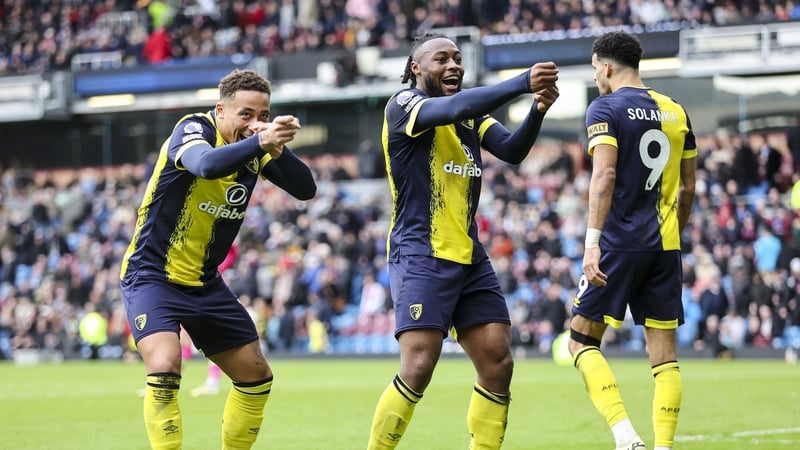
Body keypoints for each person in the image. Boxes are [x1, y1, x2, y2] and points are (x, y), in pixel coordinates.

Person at [367, 32, 559, 449]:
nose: (454, 65)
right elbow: (456, 105)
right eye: (442, 59)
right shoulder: (404, 105)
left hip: (469, 255)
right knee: (418, 364)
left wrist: (538, 110)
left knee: (497, 362)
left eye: (457, 58)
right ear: (417, 68)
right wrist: (520, 81)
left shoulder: (469, 116)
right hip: (421, 252)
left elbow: (510, 150)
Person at [119, 68, 316, 449]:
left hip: (205, 283)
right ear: (220, 110)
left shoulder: (255, 146)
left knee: (256, 375)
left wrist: (278, 146)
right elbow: (206, 165)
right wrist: (262, 141)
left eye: (263, 115)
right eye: (245, 114)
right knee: (164, 365)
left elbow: (306, 189)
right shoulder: (193, 129)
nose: (254, 123)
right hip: (152, 276)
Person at [567, 31, 697, 450]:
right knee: (664, 356)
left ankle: (626, 437)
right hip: (665, 245)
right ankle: (663, 447)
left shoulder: (604, 108)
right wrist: (677, 230)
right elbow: (689, 188)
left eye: (594, 69)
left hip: (619, 244)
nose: (595, 78)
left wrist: (592, 242)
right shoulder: (676, 112)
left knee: (580, 340)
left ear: (605, 66)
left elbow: (603, 175)